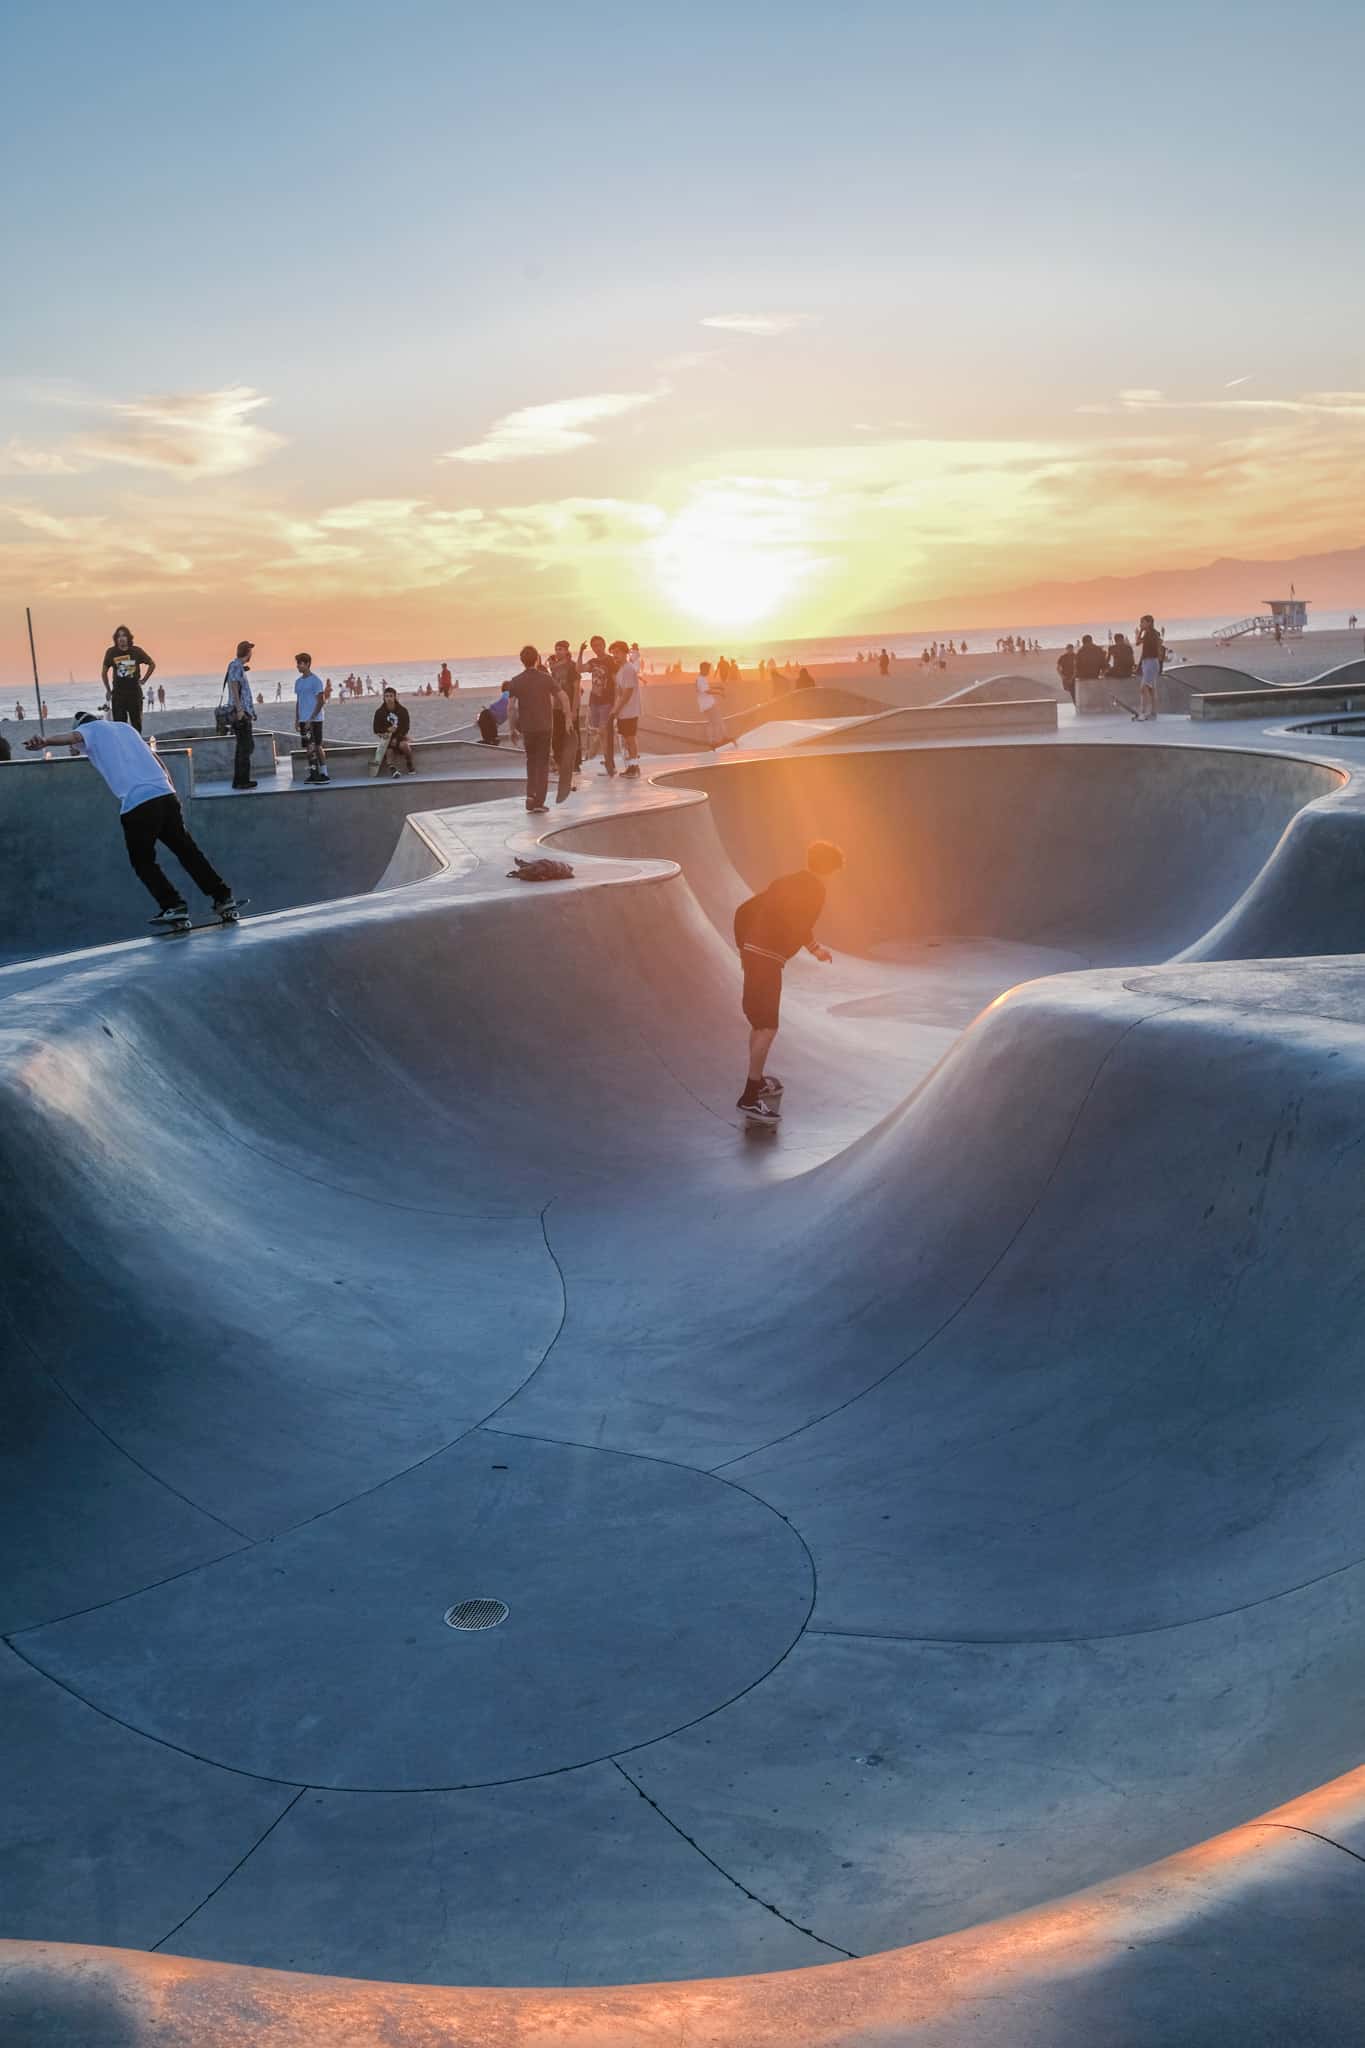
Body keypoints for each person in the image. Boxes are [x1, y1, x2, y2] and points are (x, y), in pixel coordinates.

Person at [25, 711, 238, 929]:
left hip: (139, 804)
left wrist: (45, 741)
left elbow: (73, 738)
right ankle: (223, 897)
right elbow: (156, 759)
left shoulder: (89, 730)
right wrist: (171, 790)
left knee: (143, 861)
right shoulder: (126, 729)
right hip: (165, 795)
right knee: (187, 851)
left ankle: (173, 905)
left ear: (81, 726)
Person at [732, 840, 844, 1123]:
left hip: (753, 954)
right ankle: (749, 1097)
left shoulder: (786, 881)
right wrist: (816, 949)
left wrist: (743, 946)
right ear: (830, 870)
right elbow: (800, 923)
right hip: (767, 960)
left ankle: (756, 1083)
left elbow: (745, 910)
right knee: (768, 1027)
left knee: (760, 1024)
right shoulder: (816, 890)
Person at [504, 646, 569, 814]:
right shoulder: (546, 679)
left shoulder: (515, 681)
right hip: (545, 728)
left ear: (522, 661)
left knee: (531, 762)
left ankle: (530, 795)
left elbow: (511, 708)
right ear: (537, 659)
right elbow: (563, 697)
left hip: (528, 729)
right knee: (543, 763)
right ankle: (539, 801)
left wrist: (512, 729)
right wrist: (568, 718)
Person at [101, 625, 156, 732]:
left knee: (136, 725)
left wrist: (144, 680)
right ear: (116, 639)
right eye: (119, 636)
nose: (121, 638)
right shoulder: (111, 652)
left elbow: (152, 664)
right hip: (118, 694)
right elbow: (104, 673)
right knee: (120, 726)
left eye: (124, 636)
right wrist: (108, 690)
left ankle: (136, 747)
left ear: (128, 638)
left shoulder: (136, 651)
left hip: (134, 693)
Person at [580, 634, 618, 773]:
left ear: (604, 645)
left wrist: (616, 702)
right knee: (600, 731)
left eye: (599, 645)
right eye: (594, 646)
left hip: (607, 701)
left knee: (604, 731)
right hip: (594, 700)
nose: (597, 648)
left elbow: (615, 682)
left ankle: (609, 762)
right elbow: (579, 669)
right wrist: (580, 652)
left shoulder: (611, 661)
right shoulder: (593, 661)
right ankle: (608, 761)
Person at [548, 640, 582, 786]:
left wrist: (574, 709)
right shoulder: (554, 667)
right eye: (556, 649)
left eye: (561, 649)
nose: (558, 651)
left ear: (567, 650)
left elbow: (576, 688)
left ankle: (575, 764)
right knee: (557, 736)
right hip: (556, 706)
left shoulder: (572, 666)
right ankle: (559, 763)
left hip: (570, 706)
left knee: (572, 735)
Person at [224, 640, 257, 789]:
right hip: (240, 712)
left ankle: (240, 780)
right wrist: (239, 710)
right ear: (247, 652)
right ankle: (241, 781)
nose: (252, 654)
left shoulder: (238, 666)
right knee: (246, 746)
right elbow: (234, 686)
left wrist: (251, 711)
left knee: (244, 746)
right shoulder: (236, 666)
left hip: (244, 711)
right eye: (250, 651)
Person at [294, 651, 329, 782]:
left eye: (300, 663)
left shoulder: (315, 681)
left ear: (307, 664)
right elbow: (299, 701)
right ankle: (313, 774)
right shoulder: (298, 682)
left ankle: (324, 773)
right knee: (308, 747)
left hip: (315, 720)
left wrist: (311, 718)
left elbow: (321, 701)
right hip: (303, 719)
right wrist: (297, 719)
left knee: (317, 745)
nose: (297, 666)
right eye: (297, 663)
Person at [610, 639, 643, 777]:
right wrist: (617, 709)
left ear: (625, 653)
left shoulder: (628, 669)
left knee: (630, 738)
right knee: (627, 738)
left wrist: (616, 709)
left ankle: (634, 767)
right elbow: (619, 692)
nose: (615, 656)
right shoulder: (622, 670)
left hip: (629, 711)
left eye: (617, 653)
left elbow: (627, 693)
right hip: (624, 712)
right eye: (613, 653)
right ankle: (631, 766)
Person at [372, 685, 415, 774]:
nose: (389, 698)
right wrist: (386, 731)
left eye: (391, 696)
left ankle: (409, 763)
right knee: (389, 751)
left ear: (395, 697)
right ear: (383, 698)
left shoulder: (402, 710)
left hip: (400, 737)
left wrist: (397, 738)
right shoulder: (379, 712)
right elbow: (376, 729)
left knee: (404, 746)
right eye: (387, 696)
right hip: (386, 738)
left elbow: (406, 727)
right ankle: (393, 770)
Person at [696, 661, 735, 749]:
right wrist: (719, 693)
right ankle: (718, 740)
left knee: (714, 722)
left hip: (708, 704)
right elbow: (706, 691)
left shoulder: (702, 678)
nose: (709, 671)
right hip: (708, 705)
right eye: (708, 669)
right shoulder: (700, 679)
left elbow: (707, 687)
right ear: (703, 669)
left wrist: (717, 687)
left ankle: (716, 740)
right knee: (716, 721)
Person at [1136, 615, 1165, 722]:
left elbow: (1158, 646)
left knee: (1144, 688)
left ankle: (1144, 712)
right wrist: (1139, 632)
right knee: (1151, 688)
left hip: (1151, 662)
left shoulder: (1152, 634)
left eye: (1142, 622)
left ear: (1149, 622)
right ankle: (1153, 711)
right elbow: (1138, 642)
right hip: (1147, 662)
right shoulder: (1148, 633)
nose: (1140, 624)